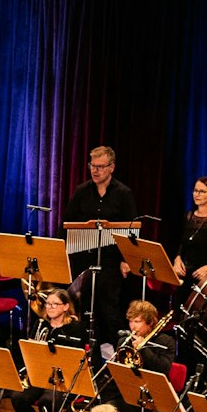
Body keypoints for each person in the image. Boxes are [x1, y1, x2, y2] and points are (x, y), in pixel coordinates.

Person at [64, 146, 137, 342]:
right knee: (82, 305)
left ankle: (117, 353)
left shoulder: (123, 194)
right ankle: (87, 353)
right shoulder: (82, 191)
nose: (95, 171)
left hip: (110, 259)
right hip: (82, 256)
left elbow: (131, 230)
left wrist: (125, 259)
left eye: (100, 167)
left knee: (107, 308)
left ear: (111, 167)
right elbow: (67, 224)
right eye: (92, 166)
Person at [9, 286, 89, 412]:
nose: (50, 307)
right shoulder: (41, 324)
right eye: (48, 304)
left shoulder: (76, 328)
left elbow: (75, 357)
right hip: (40, 374)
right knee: (18, 398)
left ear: (66, 306)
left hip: (63, 379)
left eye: (55, 304)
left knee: (47, 401)